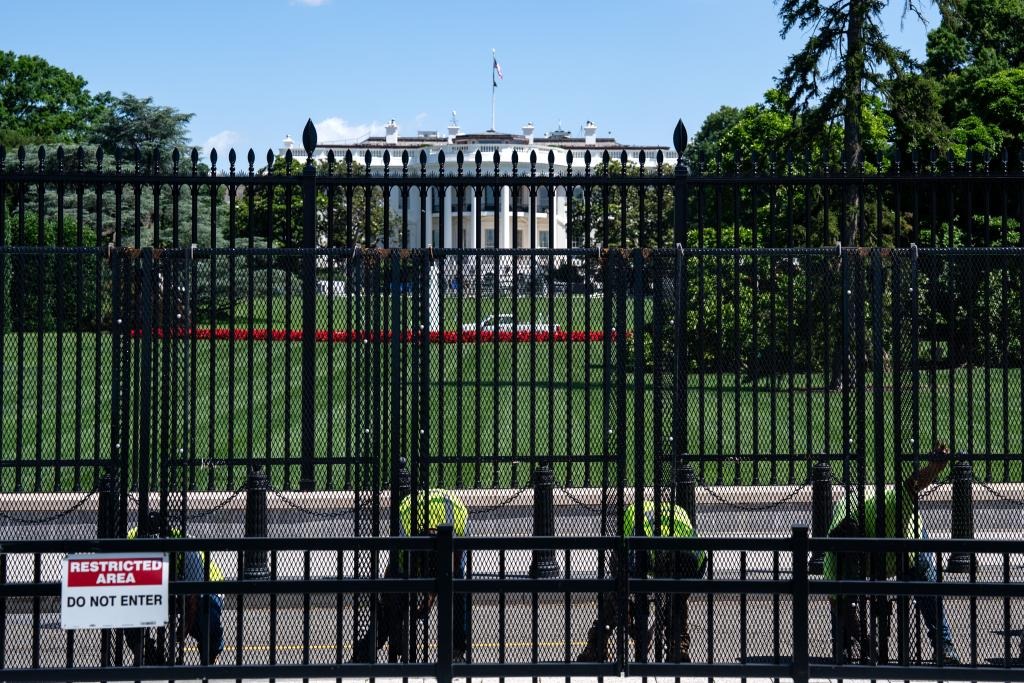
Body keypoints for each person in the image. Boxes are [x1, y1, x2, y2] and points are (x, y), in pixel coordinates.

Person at [824, 443, 959, 664]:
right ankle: (845, 645)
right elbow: (837, 602)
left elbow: (912, 483)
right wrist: (865, 640)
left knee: (927, 585)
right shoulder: (835, 553)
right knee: (843, 600)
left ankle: (944, 646)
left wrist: (934, 469)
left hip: (906, 547)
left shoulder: (891, 506)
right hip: (870, 556)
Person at [578, 500, 705, 663]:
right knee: (618, 594)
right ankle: (596, 645)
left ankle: (677, 646)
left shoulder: (695, 556)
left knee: (677, 602)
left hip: (666, 547)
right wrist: (635, 630)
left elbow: (681, 593)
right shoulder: (636, 540)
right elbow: (623, 588)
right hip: (634, 541)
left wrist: (658, 623)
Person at [351, 488, 469, 663]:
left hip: (433, 531)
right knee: (457, 589)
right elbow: (450, 569)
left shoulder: (414, 520)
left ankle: (366, 651)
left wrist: (426, 595)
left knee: (393, 592)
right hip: (431, 531)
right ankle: (457, 651)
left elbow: (447, 569)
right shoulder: (416, 522)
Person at [124, 512, 225, 666]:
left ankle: (209, 659)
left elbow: (194, 597)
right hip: (159, 589)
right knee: (127, 614)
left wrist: (185, 627)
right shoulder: (131, 540)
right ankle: (147, 654)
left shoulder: (186, 548)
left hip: (203, 587)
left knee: (206, 620)